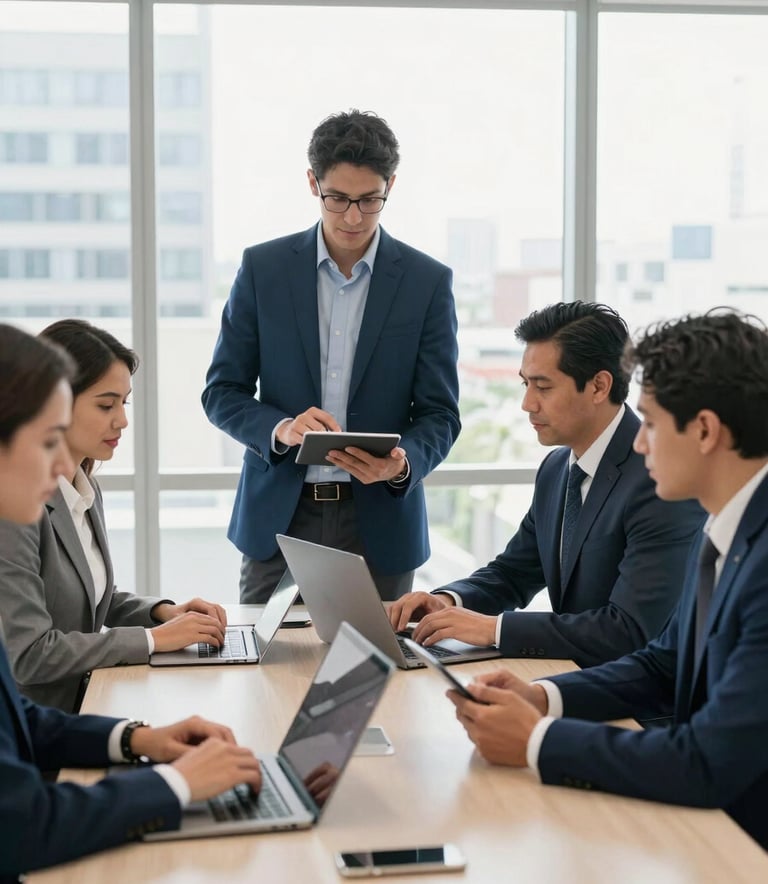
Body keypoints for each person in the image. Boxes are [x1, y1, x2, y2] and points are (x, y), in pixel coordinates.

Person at [448, 310, 768, 849]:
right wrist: (541, 697)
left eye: (651, 422)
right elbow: (663, 663)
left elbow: (708, 761)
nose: (641, 444)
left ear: (706, 430)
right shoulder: (725, 525)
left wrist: (538, 742)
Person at [0, 323, 261, 881]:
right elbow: (21, 824)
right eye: (47, 441)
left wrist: (138, 738)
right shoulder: (13, 519)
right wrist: (177, 783)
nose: (59, 467)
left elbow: (16, 715)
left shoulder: (76, 489)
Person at [202, 109, 460, 604]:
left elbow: (440, 415)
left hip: (381, 524)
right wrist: (282, 429)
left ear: (392, 186)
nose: (353, 217)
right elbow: (221, 393)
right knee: (266, 673)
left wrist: (403, 464)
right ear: (312, 183)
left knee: (371, 675)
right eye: (338, 198)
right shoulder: (264, 269)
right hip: (279, 518)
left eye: (370, 200)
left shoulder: (427, 283)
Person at [390, 302, 703, 667]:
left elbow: (628, 631)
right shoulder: (557, 468)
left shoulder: (660, 480)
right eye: (525, 384)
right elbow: (514, 573)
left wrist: (495, 630)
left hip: (637, 706)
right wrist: (446, 602)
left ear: (599, 386)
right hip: (572, 676)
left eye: (543, 387)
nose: (526, 404)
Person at [0, 319, 227, 713]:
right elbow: (31, 653)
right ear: (54, 403)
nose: (122, 420)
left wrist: (162, 614)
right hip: (42, 726)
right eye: (106, 405)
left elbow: (85, 595)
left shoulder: (84, 485)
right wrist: (155, 640)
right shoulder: (18, 506)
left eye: (124, 403)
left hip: (89, 703)